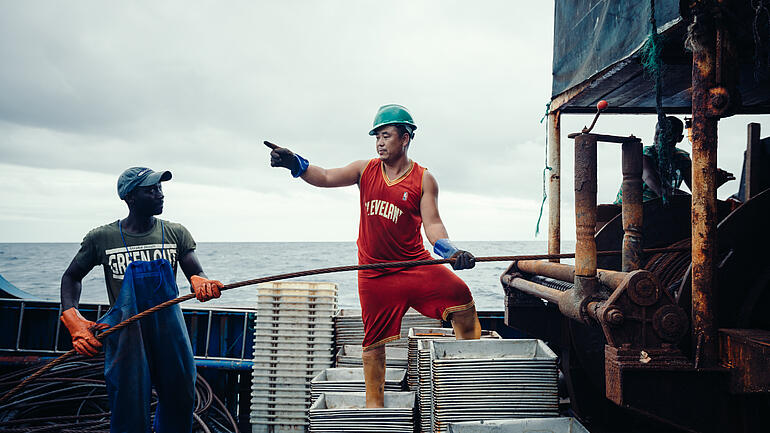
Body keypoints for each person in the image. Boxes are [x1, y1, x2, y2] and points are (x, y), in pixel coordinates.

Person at [266, 103, 482, 407]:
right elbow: (326, 176)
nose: (380, 142)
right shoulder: (364, 170)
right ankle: (374, 407)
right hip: (375, 275)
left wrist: (452, 251)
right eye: (377, 136)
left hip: (414, 265)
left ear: (404, 138)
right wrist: (296, 164)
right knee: (373, 342)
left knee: (462, 298)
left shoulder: (423, 178)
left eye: (386, 135)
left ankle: (468, 378)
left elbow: (433, 224)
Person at [60, 167, 224, 433]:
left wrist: (200, 281)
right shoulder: (102, 238)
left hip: (170, 330)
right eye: (151, 190)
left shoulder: (175, 233)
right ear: (130, 198)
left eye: (160, 188)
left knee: (182, 394)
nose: (160, 195)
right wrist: (72, 316)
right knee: (128, 401)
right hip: (127, 333)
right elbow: (72, 277)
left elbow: (195, 271)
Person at [613, 116, 734, 204]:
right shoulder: (645, 154)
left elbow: (696, 189)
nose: (661, 139)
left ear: (679, 138)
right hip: (627, 211)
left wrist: (712, 184)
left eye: (668, 136)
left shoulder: (681, 157)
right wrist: (697, 197)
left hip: (656, 211)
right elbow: (660, 189)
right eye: (658, 134)